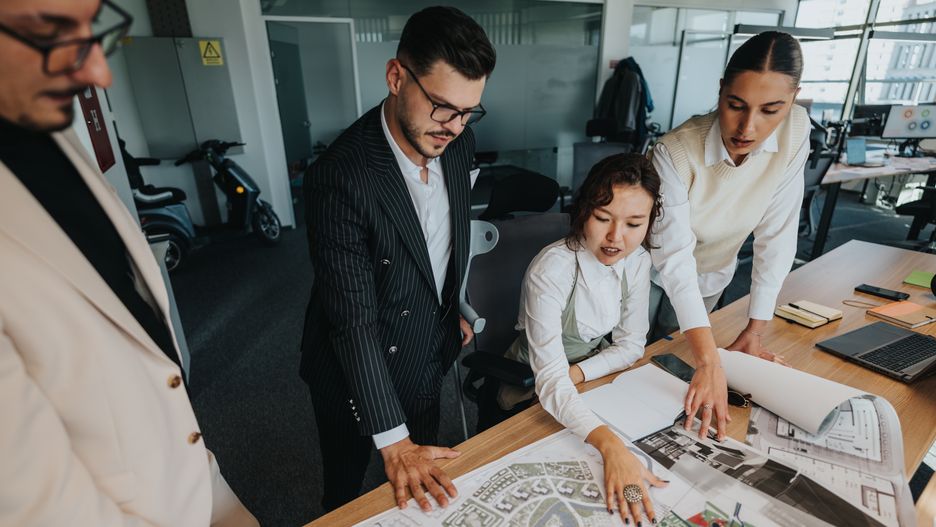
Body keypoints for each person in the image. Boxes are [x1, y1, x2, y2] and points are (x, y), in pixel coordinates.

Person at [0, 1, 257, 525]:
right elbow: (34, 501)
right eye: (50, 34)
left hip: (196, 486)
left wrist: (214, 493)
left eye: (92, 28)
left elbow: (140, 353)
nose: (99, 72)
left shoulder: (45, 131)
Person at [299, 6, 495, 513]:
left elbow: (445, 240)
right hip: (352, 365)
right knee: (345, 492)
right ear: (396, 77)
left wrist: (449, 303)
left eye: (469, 111)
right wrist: (394, 441)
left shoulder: (459, 142)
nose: (454, 127)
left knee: (421, 488)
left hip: (426, 346)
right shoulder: (340, 177)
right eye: (442, 107)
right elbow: (352, 321)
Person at [477, 153, 668, 524]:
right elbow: (550, 379)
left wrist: (579, 373)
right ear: (583, 211)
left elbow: (631, 345)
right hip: (529, 387)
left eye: (634, 223)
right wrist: (611, 446)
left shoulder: (637, 260)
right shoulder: (553, 268)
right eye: (603, 218)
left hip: (585, 379)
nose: (616, 238)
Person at [648, 31, 810, 439]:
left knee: (678, 370)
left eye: (771, 110)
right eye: (735, 105)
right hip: (643, 270)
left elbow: (778, 233)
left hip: (711, 273)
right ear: (720, 90)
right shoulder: (674, 151)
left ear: (793, 99)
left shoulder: (796, 130)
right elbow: (673, 256)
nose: (748, 127)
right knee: (630, 359)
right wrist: (710, 360)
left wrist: (755, 331)